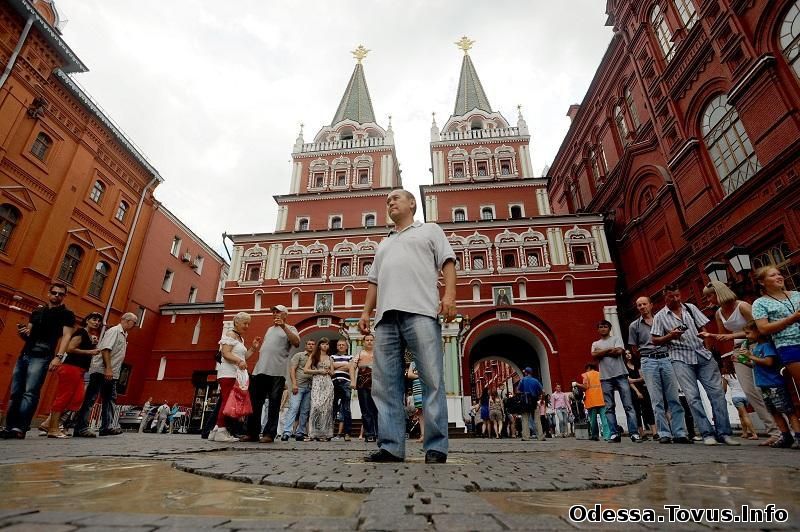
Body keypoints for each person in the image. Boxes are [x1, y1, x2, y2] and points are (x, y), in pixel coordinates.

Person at [358, 189, 456, 464]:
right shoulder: (384, 243)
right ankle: (391, 446)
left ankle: (435, 446)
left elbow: (447, 262)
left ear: (412, 203)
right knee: (385, 384)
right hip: (385, 318)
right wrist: (366, 312)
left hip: (421, 311)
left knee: (431, 379)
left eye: (396, 198)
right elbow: (374, 281)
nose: (390, 202)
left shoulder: (430, 230)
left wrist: (449, 296)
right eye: (387, 201)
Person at [651, 283, 739, 446]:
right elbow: (654, 340)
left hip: (702, 355)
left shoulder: (690, 308)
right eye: (672, 297)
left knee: (717, 394)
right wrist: (670, 336)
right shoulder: (660, 316)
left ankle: (724, 433)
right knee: (692, 397)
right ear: (665, 296)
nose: (676, 299)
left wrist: (707, 349)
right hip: (680, 358)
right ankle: (707, 433)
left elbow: (703, 327)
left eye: (678, 295)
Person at [702, 280, 780, 445]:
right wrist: (716, 343)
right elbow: (723, 336)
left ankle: (783, 430)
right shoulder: (719, 313)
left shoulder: (743, 306)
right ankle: (773, 431)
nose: (708, 300)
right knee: (750, 391)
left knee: (767, 388)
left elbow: (759, 328)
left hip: (757, 346)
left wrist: (731, 337)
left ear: (720, 293)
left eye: (710, 296)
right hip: (739, 351)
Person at [1, 282, 75, 440]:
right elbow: (29, 332)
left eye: (60, 294)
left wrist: (58, 357)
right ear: (49, 294)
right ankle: (9, 426)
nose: (56, 296)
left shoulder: (66, 314)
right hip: (25, 353)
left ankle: (20, 427)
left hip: (43, 355)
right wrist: (23, 332)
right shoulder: (37, 311)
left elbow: (67, 336)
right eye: (54, 293)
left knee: (30, 392)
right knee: (16, 392)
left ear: (64, 296)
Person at [628, 296, 690, 444]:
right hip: (648, 360)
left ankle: (680, 432)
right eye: (639, 305)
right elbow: (634, 348)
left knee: (673, 397)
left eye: (644, 304)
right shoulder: (634, 326)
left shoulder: (662, 320)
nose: (642, 307)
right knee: (656, 399)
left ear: (651, 305)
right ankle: (664, 433)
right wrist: (645, 355)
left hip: (666, 358)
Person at [72, 312, 138, 438]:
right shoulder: (114, 331)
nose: (134, 325)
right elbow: (106, 349)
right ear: (126, 320)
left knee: (109, 399)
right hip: (101, 371)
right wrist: (108, 368)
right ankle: (81, 427)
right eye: (134, 322)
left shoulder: (124, 334)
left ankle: (106, 426)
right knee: (91, 398)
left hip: (111, 372)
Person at [245, 305, 300, 443]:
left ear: (285, 315)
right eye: (274, 312)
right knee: (255, 403)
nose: (275, 314)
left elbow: (297, 342)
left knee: (274, 404)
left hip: (277, 372)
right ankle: (252, 433)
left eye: (278, 312)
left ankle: (269, 434)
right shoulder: (269, 329)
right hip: (260, 370)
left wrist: (284, 327)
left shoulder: (290, 328)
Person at [742, 320, 800, 449]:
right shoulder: (757, 347)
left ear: (758, 332)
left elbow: (768, 362)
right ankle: (786, 436)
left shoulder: (767, 346)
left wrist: (750, 356)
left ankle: (798, 435)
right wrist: (745, 361)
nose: (747, 336)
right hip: (765, 385)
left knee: (787, 410)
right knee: (774, 411)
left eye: (748, 333)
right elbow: (756, 365)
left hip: (775, 384)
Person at [208, 311, 261, 443]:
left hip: (235, 373)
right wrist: (239, 361)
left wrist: (253, 349)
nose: (247, 326)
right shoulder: (230, 334)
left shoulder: (240, 338)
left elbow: (244, 358)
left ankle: (215, 431)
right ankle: (221, 430)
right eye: (245, 323)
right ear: (236, 322)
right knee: (227, 402)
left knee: (226, 401)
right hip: (228, 373)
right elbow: (225, 353)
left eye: (248, 323)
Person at [752, 267, 800, 408]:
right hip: (788, 345)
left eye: (779, 274)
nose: (779, 277)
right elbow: (763, 328)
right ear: (762, 282)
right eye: (773, 275)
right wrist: (790, 319)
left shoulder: (797, 295)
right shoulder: (760, 303)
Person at [591, 319, 640, 442]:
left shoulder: (616, 339)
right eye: (601, 327)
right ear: (598, 329)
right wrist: (609, 350)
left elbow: (619, 352)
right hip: (605, 377)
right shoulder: (595, 343)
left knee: (628, 405)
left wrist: (602, 352)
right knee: (609, 407)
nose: (603, 329)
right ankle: (614, 433)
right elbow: (594, 355)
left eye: (605, 326)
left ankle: (634, 433)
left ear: (609, 328)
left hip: (620, 375)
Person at [281, 340, 315, 441]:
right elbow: (292, 369)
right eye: (309, 344)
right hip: (299, 386)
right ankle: (287, 432)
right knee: (294, 408)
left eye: (313, 344)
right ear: (306, 345)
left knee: (305, 411)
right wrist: (294, 384)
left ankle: (300, 432)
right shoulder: (299, 355)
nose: (311, 346)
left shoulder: (316, 357)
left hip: (310, 387)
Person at [720, 356, 758, 440]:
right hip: (745, 396)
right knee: (741, 415)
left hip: (736, 397)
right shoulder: (740, 374)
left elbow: (724, 389)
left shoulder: (726, 376)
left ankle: (754, 433)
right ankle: (744, 432)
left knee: (744, 415)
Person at [304, 337, 334, 441]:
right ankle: (313, 433)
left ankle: (324, 434)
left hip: (327, 383)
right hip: (317, 382)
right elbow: (306, 370)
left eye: (327, 344)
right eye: (323, 344)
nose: (325, 346)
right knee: (316, 406)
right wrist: (318, 371)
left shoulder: (330, 358)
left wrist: (329, 371)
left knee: (326, 408)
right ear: (320, 345)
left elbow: (333, 372)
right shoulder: (314, 356)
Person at [625, 351, 657, 441]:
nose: (628, 355)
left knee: (649, 410)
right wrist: (637, 392)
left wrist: (634, 380)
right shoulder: (625, 368)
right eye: (626, 354)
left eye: (629, 353)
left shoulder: (638, 365)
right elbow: (629, 382)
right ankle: (642, 433)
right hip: (633, 391)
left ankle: (655, 433)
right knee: (637, 413)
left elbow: (642, 378)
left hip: (644, 389)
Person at [354, 333, 378, 443]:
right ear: (364, 342)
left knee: (378, 409)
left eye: (371, 340)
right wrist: (353, 380)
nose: (369, 342)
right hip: (362, 385)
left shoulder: (379, 354)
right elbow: (352, 367)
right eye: (367, 340)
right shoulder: (359, 354)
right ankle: (369, 434)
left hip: (377, 384)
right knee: (366, 410)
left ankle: (379, 433)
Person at [578, 363, 609, 441]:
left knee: (593, 420)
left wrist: (577, 384)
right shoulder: (600, 374)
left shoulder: (586, 375)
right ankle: (607, 436)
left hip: (592, 400)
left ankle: (595, 435)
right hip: (601, 399)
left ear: (588, 368)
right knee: (604, 419)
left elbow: (585, 386)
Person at [331, 338, 353, 441]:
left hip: (346, 383)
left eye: (343, 345)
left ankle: (347, 433)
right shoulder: (332, 356)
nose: (341, 346)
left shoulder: (350, 356)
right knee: (333, 407)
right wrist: (345, 366)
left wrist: (336, 367)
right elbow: (331, 367)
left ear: (347, 346)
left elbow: (351, 366)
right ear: (336, 346)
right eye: (339, 345)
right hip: (334, 383)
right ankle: (329, 432)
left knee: (346, 408)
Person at [517, 367, 544, 441]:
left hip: (525, 401)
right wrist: (541, 399)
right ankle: (540, 436)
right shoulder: (536, 380)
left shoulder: (523, 380)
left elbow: (518, 390)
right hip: (534, 401)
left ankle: (525, 437)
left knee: (525, 419)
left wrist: (523, 393)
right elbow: (542, 391)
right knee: (537, 419)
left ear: (526, 373)